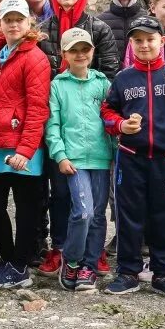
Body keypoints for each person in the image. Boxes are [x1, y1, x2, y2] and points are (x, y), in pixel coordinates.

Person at [102, 16, 165, 298]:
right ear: (131, 44)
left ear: (161, 41)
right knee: (129, 216)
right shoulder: (123, 78)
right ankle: (127, 273)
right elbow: (108, 112)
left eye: (150, 39)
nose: (144, 45)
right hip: (130, 157)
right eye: (138, 40)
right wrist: (121, 125)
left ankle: (163, 274)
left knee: (163, 218)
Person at [35, 0, 117, 275]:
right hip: (58, 118)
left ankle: (92, 254)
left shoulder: (98, 27)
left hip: (92, 125)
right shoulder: (44, 29)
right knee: (61, 191)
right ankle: (60, 247)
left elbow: (111, 74)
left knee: (95, 203)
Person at [0, 0, 51, 290]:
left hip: (22, 147)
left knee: (27, 208)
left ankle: (19, 265)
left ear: (28, 23)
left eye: (19, 19)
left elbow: (37, 108)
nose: (14, 24)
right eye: (8, 19)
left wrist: (25, 151)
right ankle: (7, 260)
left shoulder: (35, 58)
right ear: (0, 23)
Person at [45, 27, 115, 293]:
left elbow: (111, 117)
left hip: (100, 157)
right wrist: (60, 155)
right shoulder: (58, 86)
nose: (80, 54)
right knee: (82, 211)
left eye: (84, 49)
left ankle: (89, 264)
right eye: (73, 50)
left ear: (92, 52)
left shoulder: (102, 83)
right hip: (74, 160)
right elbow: (53, 124)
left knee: (98, 214)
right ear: (64, 54)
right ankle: (71, 259)